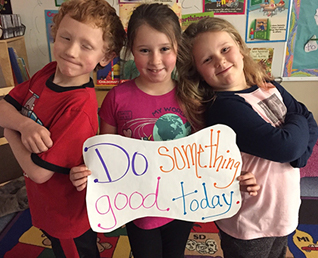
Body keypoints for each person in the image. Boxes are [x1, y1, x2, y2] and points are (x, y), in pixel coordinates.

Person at [70, 4, 259, 258]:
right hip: (137, 210)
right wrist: (86, 174)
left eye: (164, 49)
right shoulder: (118, 98)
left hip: (183, 206)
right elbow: (106, 157)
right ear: (131, 51)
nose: (155, 60)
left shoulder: (192, 95)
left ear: (177, 48)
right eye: (144, 50)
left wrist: (234, 176)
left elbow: (209, 156)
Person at [177, 17, 318, 258]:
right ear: (198, 72)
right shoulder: (224, 107)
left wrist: (298, 154)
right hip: (250, 221)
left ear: (241, 50)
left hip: (282, 210)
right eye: (207, 59)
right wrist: (296, 136)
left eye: (225, 49)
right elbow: (285, 145)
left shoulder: (267, 86)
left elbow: (310, 121)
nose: (220, 61)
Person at [0, 0, 126, 257]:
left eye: (86, 46)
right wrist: (23, 124)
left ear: (104, 57)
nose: (71, 51)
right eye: (65, 37)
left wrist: (10, 132)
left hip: (67, 216)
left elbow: (39, 172)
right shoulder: (47, 72)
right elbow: (4, 107)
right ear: (54, 34)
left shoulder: (78, 107)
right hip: (45, 204)